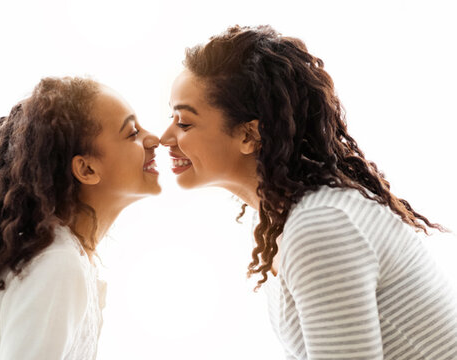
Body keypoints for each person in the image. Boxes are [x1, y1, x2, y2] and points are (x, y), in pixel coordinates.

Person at [159, 25, 457, 359]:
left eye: (184, 123)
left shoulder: (320, 225)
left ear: (249, 135)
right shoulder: (296, 217)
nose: (164, 137)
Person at [0, 76, 160, 359]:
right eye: (132, 133)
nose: (154, 138)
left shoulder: (67, 259)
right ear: (87, 169)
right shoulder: (59, 265)